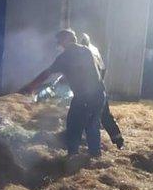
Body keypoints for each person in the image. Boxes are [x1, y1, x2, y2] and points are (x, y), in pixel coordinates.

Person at [20, 29, 106, 157]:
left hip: (84, 97)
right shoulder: (86, 50)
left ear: (66, 39)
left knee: (73, 125)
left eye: (60, 40)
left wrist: (30, 86)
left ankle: (72, 156)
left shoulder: (66, 56)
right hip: (99, 94)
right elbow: (94, 69)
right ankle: (95, 156)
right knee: (92, 125)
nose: (59, 44)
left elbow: (47, 73)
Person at [77, 32, 124, 149]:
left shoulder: (84, 52)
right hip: (99, 88)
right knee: (105, 115)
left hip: (88, 91)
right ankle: (119, 141)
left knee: (86, 117)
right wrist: (99, 82)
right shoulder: (95, 50)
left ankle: (88, 146)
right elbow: (103, 69)